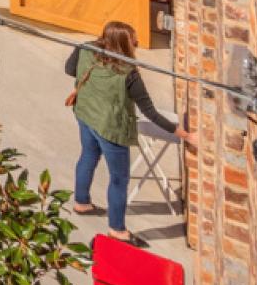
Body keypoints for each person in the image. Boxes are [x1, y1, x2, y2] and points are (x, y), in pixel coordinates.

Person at [66, 20, 192, 246]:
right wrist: (184, 134)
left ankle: (81, 202)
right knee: (119, 179)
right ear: (124, 43)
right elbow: (150, 112)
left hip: (85, 115)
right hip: (111, 129)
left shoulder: (86, 48)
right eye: (134, 38)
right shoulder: (128, 73)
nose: (137, 41)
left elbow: (69, 69)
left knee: (87, 156)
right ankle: (117, 229)